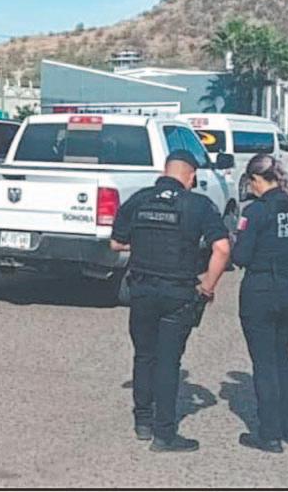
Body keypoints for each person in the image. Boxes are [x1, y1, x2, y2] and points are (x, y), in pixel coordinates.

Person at [110, 149, 231, 452]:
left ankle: (142, 421)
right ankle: (164, 434)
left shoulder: (139, 200)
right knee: (168, 361)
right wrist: (208, 287)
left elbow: (116, 243)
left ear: (165, 172)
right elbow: (222, 249)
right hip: (178, 293)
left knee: (143, 355)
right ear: (191, 176)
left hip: (141, 290)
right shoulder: (198, 204)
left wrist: (143, 243)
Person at [232, 154, 288, 453]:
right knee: (283, 359)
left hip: (262, 290)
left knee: (264, 363)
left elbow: (241, 257)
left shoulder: (256, 211)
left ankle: (269, 435)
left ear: (255, 179)